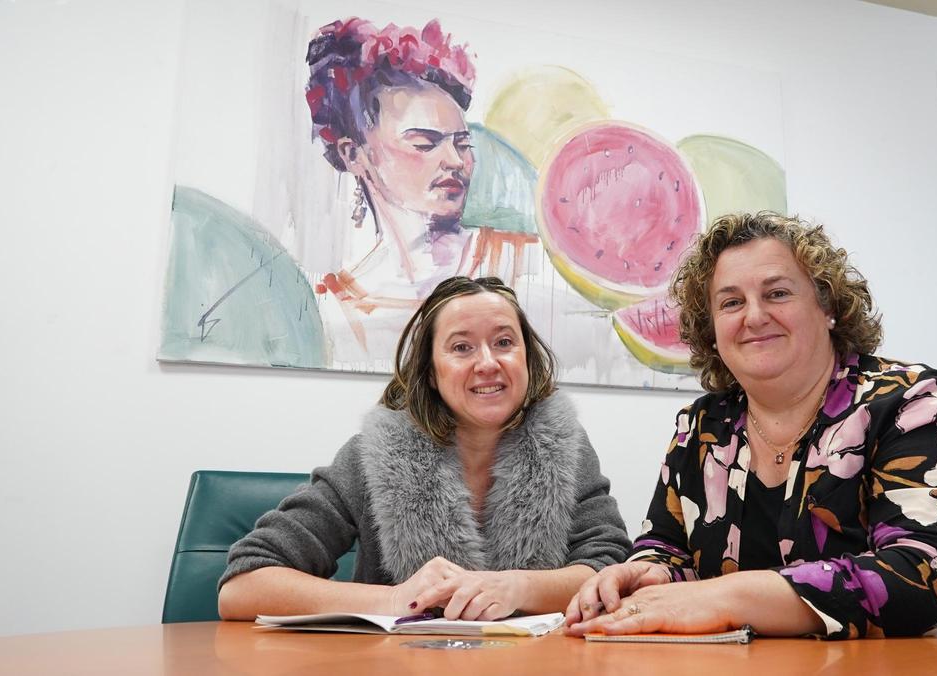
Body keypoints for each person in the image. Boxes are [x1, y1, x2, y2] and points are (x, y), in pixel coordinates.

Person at [564, 213, 937, 674]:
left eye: (777, 292)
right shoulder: (703, 427)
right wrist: (648, 573)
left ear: (827, 307)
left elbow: (934, 576)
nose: (754, 316)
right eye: (730, 302)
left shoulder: (919, 405)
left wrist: (723, 597)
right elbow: (670, 547)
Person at [218, 276, 631, 621]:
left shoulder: (566, 446)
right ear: (431, 373)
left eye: (504, 342)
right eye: (461, 347)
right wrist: (396, 600)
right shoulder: (373, 456)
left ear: (527, 358)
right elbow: (243, 586)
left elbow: (610, 571)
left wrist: (517, 586)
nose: (488, 362)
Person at [306, 18, 485, 351]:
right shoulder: (330, 309)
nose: (456, 161)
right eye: (424, 143)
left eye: (462, 144)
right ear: (354, 154)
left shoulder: (511, 264)